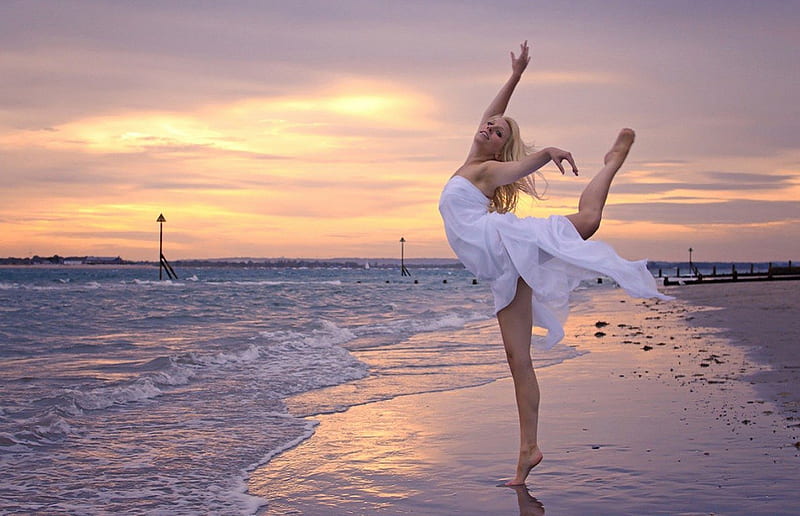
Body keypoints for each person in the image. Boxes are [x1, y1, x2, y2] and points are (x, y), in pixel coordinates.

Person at [438, 41, 672, 486]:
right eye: (489, 125)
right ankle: (528, 450)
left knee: (586, 222)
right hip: (504, 266)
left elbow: (517, 165)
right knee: (517, 358)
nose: (490, 127)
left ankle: (611, 165)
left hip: (507, 241)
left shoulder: (486, 170)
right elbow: (494, 114)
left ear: (500, 149)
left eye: (499, 132)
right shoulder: (471, 161)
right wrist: (516, 76)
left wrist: (547, 153)